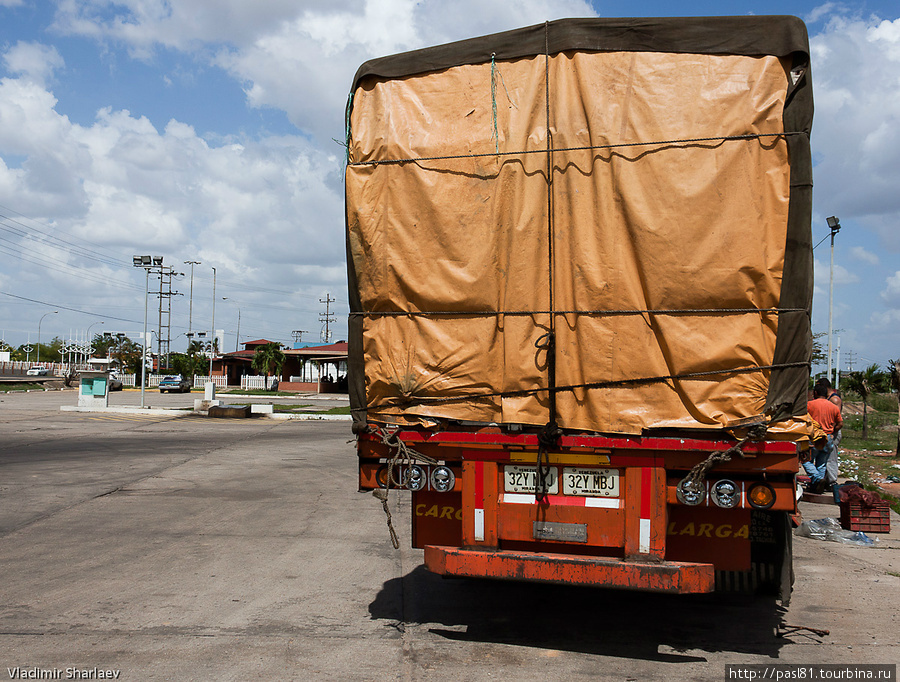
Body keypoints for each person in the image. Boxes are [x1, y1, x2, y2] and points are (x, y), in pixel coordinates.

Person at [804, 383, 843, 494]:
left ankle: (817, 478)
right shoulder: (833, 407)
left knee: (805, 460)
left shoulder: (809, 405)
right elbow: (840, 423)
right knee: (822, 463)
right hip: (828, 438)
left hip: (813, 437)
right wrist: (832, 432)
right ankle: (817, 486)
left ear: (815, 393)